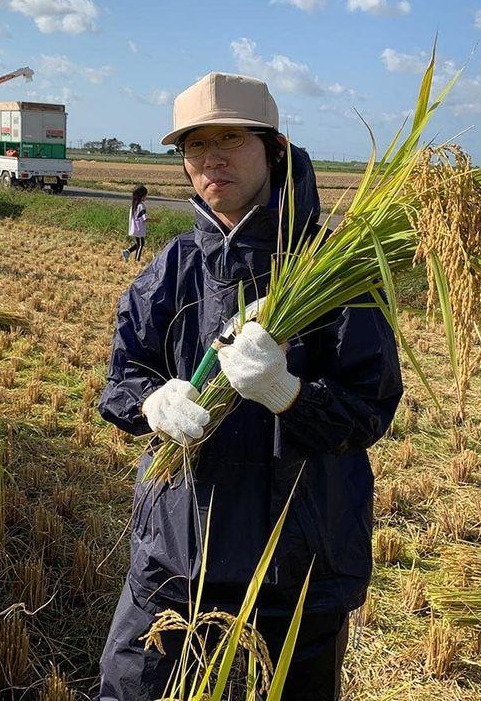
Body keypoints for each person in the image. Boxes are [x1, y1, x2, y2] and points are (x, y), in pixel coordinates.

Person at [96, 72, 403, 701]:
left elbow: (368, 408)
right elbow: (123, 376)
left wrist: (288, 395)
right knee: (130, 687)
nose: (210, 158)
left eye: (230, 138)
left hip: (299, 554)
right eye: (194, 145)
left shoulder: (332, 268)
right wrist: (152, 402)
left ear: (275, 149)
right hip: (178, 549)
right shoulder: (175, 267)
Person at [122, 185, 148, 262]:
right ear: (142, 196)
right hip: (139, 229)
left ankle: (127, 251)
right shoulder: (141, 206)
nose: (146, 197)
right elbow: (145, 219)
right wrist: (156, 220)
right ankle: (137, 260)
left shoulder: (134, 206)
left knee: (139, 243)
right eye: (145, 195)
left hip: (135, 228)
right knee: (141, 244)